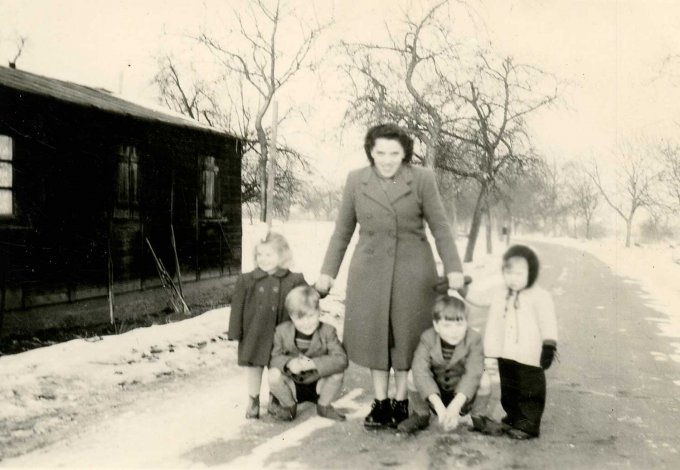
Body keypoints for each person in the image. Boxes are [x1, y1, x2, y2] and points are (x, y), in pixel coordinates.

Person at [315, 123, 465, 429]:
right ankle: (380, 403)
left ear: (404, 153)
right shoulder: (356, 180)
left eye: (394, 153)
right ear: (371, 151)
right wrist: (327, 273)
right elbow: (342, 231)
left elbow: (440, 228)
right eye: (380, 152)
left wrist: (454, 269)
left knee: (406, 338)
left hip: (413, 272)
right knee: (376, 339)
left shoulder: (422, 179)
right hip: (369, 273)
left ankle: (401, 401)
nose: (386, 159)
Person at [466, 244, 558, 439]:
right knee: (509, 388)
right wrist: (460, 289)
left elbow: (547, 321)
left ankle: (528, 424)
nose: (512, 278)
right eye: (508, 273)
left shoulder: (540, 296)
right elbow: (479, 299)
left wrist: (549, 344)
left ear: (531, 272)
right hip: (504, 350)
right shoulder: (500, 291)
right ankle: (513, 417)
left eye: (519, 273)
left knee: (529, 389)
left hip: (529, 353)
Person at [227, 232, 307, 419]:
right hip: (255, 333)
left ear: (282, 256)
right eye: (259, 255)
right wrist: (235, 332)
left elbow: (306, 299)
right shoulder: (247, 280)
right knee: (254, 368)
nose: (263, 259)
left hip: (281, 333)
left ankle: (275, 399)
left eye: (269, 254)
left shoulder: (293, 279)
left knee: (277, 369)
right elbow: (237, 307)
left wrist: (318, 291)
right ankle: (253, 400)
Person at [397, 295, 493, 434]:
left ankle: (479, 418)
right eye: (447, 325)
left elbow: (473, 372)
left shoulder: (474, 339)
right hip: (436, 393)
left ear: (467, 323)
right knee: (413, 375)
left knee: (484, 378)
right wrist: (438, 406)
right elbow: (420, 370)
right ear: (436, 325)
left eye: (459, 324)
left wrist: (456, 405)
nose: (454, 331)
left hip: (464, 395)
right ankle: (421, 415)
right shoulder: (427, 338)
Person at [268, 286, 348, 421]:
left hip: (318, 384)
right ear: (291, 317)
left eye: (311, 316)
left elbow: (341, 360)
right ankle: (289, 406)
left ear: (319, 312)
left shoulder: (328, 331)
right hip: (293, 384)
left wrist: (312, 364)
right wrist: (289, 363)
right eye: (300, 318)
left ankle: (324, 406)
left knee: (338, 373)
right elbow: (273, 358)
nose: (306, 323)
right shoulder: (282, 331)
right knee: (273, 374)